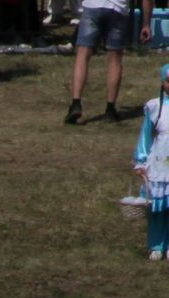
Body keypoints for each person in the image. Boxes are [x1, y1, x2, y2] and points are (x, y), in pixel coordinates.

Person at [66, 0, 151, 123]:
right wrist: (146, 24)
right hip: (117, 9)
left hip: (92, 6)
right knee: (114, 60)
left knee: (82, 56)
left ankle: (75, 103)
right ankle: (110, 108)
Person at [137, 74, 169, 259]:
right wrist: (140, 161)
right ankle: (157, 245)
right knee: (158, 208)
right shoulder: (154, 106)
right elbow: (145, 135)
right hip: (160, 159)